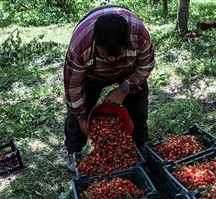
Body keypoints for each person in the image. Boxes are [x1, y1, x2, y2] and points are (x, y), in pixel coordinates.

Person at [63, 5, 156, 172]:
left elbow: (146, 65)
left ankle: (141, 143)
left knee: (138, 105)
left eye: (117, 54)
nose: (112, 59)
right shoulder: (80, 46)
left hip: (127, 69)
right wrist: (81, 117)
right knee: (78, 109)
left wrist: (124, 89)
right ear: (95, 41)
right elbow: (73, 86)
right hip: (92, 75)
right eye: (106, 54)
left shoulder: (139, 34)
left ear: (126, 42)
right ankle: (74, 151)